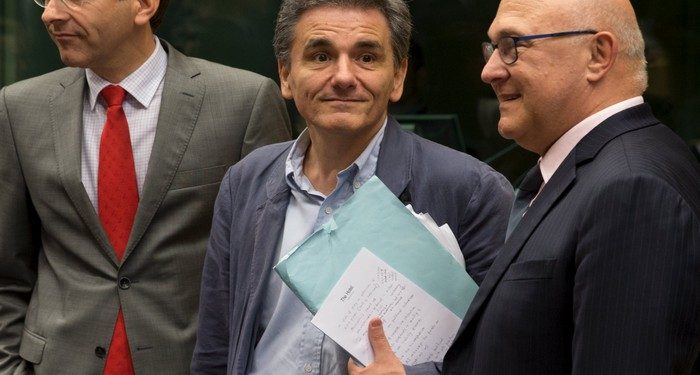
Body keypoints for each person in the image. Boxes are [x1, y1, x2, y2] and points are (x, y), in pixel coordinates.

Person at [190, 0, 513, 374]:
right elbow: (216, 348)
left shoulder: (470, 192)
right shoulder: (246, 182)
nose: (343, 76)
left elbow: (498, 355)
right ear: (286, 75)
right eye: (321, 56)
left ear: (398, 77)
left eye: (366, 58)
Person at [0, 0, 291, 373]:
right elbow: (8, 271)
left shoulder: (243, 102)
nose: (50, 13)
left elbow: (267, 275)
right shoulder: (20, 107)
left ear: (144, 5)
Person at [440, 0, 700, 373]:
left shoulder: (632, 189)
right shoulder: (595, 170)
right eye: (493, 47)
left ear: (598, 55)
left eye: (513, 45)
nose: (490, 70)